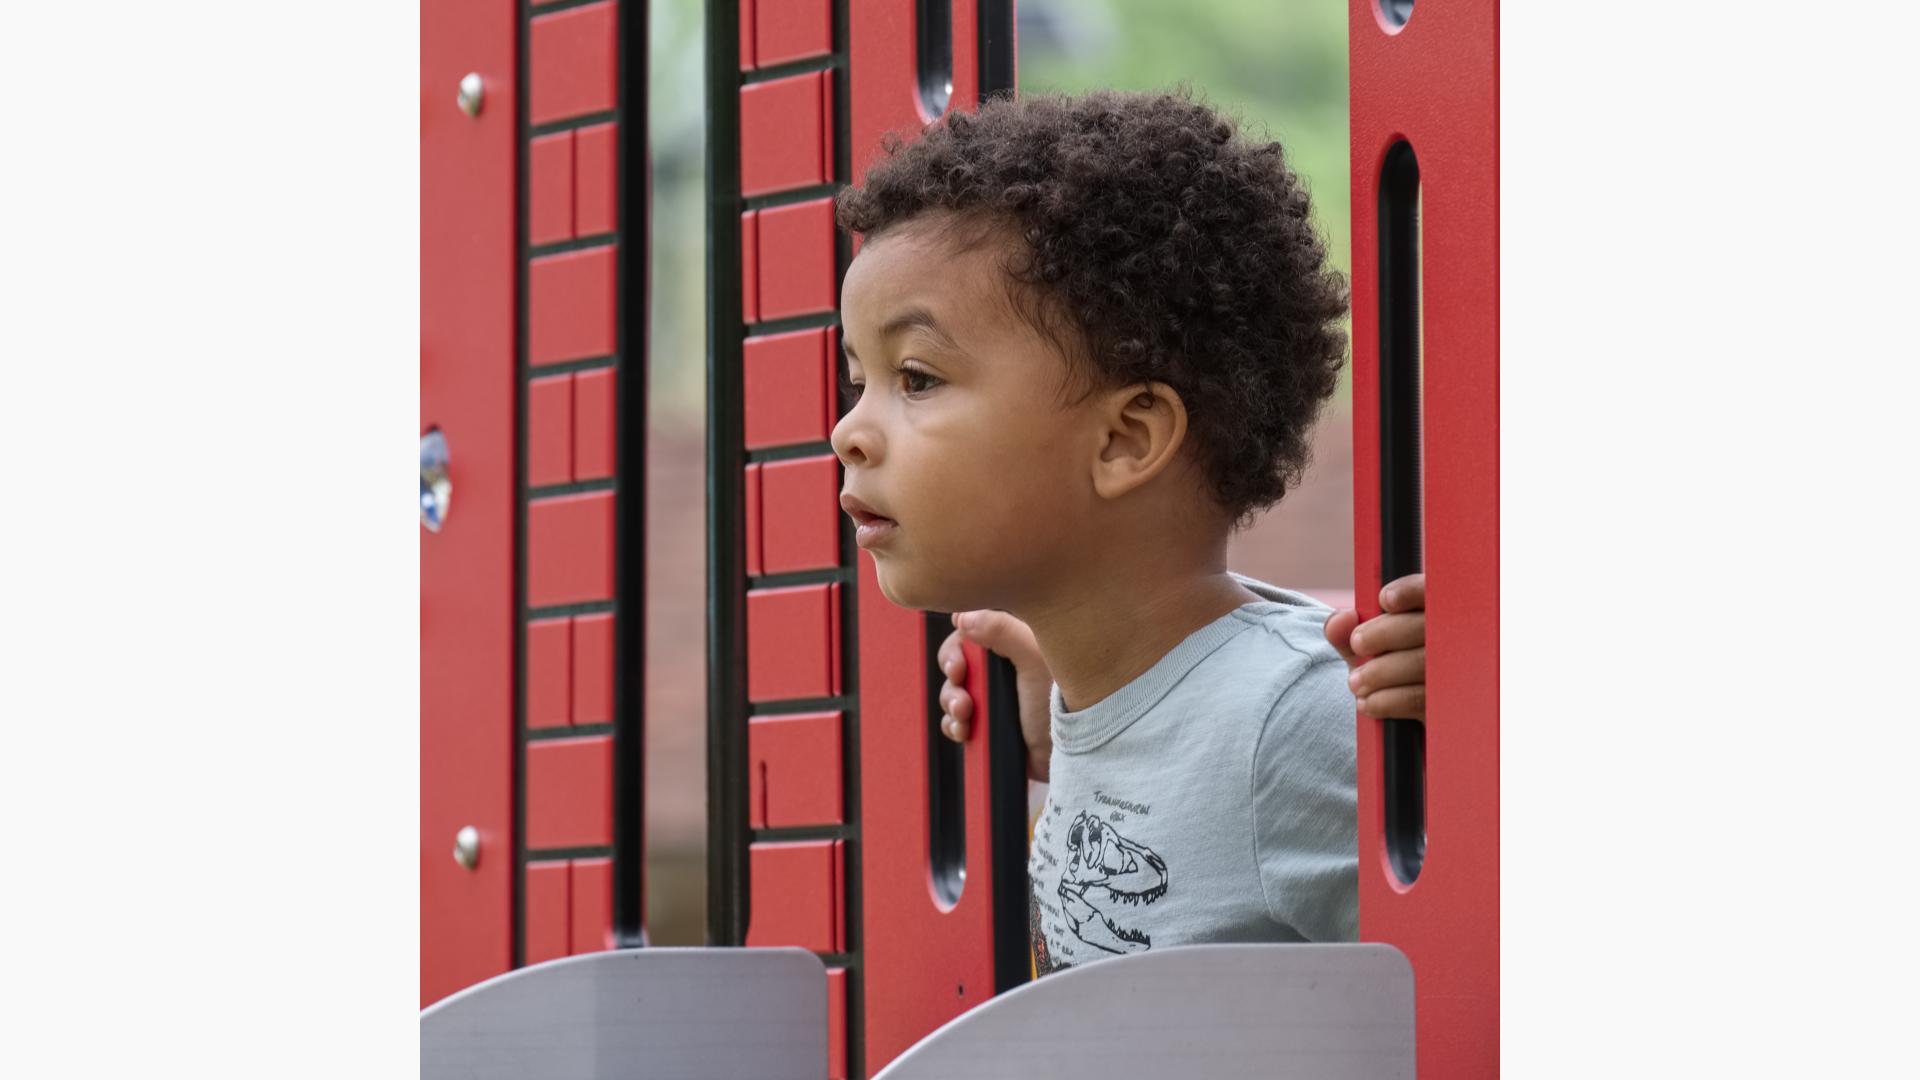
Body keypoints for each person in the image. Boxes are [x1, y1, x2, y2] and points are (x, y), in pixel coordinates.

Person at [831, 88, 1429, 974]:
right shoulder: (1093, 696)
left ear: (1125, 439)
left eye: (916, 378)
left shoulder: (1292, 723)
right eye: (859, 378)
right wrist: (1064, 724)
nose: (850, 430)